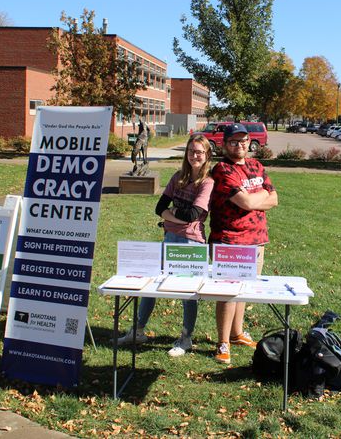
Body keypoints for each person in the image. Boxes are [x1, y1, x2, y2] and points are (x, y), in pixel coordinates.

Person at [116, 134, 215, 357]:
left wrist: (169, 216)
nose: (194, 155)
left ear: (207, 154)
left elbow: (193, 215)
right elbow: (158, 207)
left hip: (192, 242)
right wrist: (172, 217)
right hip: (170, 238)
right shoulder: (178, 177)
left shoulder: (207, 183)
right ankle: (138, 330)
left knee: (187, 293)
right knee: (152, 283)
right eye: (191, 151)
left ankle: (186, 338)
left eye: (199, 152)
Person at [209, 123, 278, 363]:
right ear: (225, 144)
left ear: (249, 142)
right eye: (233, 142)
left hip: (257, 239)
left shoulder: (256, 165)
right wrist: (259, 198)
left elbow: (275, 198)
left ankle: (237, 333)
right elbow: (246, 203)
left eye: (243, 141)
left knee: (244, 289)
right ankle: (222, 342)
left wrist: (254, 199)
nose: (239, 145)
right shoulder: (221, 170)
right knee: (228, 291)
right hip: (230, 239)